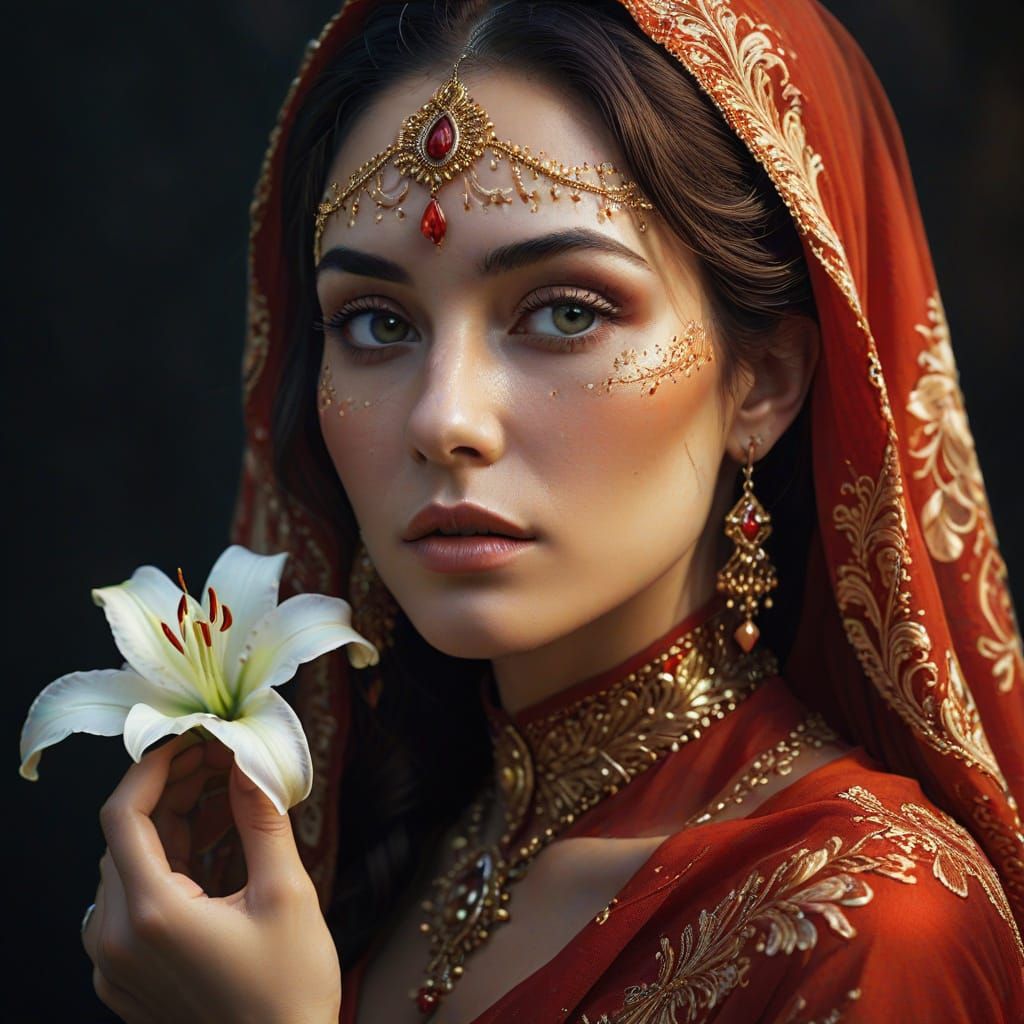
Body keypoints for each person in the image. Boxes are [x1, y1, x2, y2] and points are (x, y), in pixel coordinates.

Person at [81, 1, 1024, 1021]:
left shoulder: (872, 921)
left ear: (760, 386)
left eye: (565, 312)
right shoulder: (368, 852)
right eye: (376, 322)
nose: (443, 419)